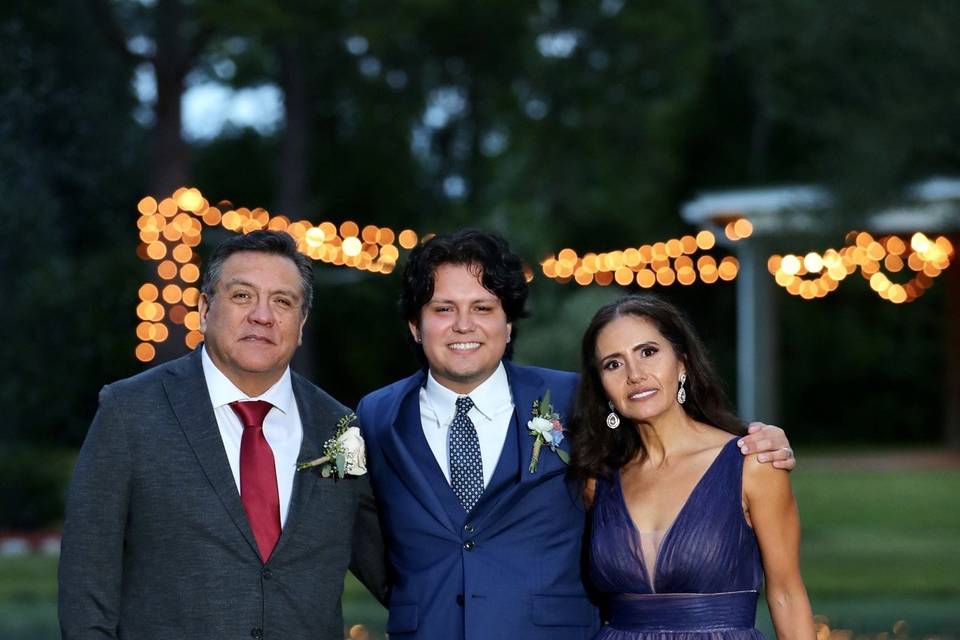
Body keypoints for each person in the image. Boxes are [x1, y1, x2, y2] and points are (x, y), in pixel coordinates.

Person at [356, 229, 796, 640]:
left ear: (508, 325)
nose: (464, 325)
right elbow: (359, 529)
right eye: (444, 309)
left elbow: (663, 426)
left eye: (483, 308)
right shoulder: (376, 417)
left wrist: (761, 439)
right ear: (416, 325)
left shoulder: (576, 399)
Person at [59, 230, 387, 640]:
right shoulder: (130, 412)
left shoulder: (341, 430)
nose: (262, 316)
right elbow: (86, 583)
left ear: (301, 324)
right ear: (204, 309)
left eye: (282, 301)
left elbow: (399, 573)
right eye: (242, 296)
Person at [571, 294, 815, 640]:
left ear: (682, 364)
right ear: (602, 387)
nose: (635, 374)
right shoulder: (599, 480)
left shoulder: (752, 463)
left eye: (648, 352)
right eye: (614, 364)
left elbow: (787, 594)